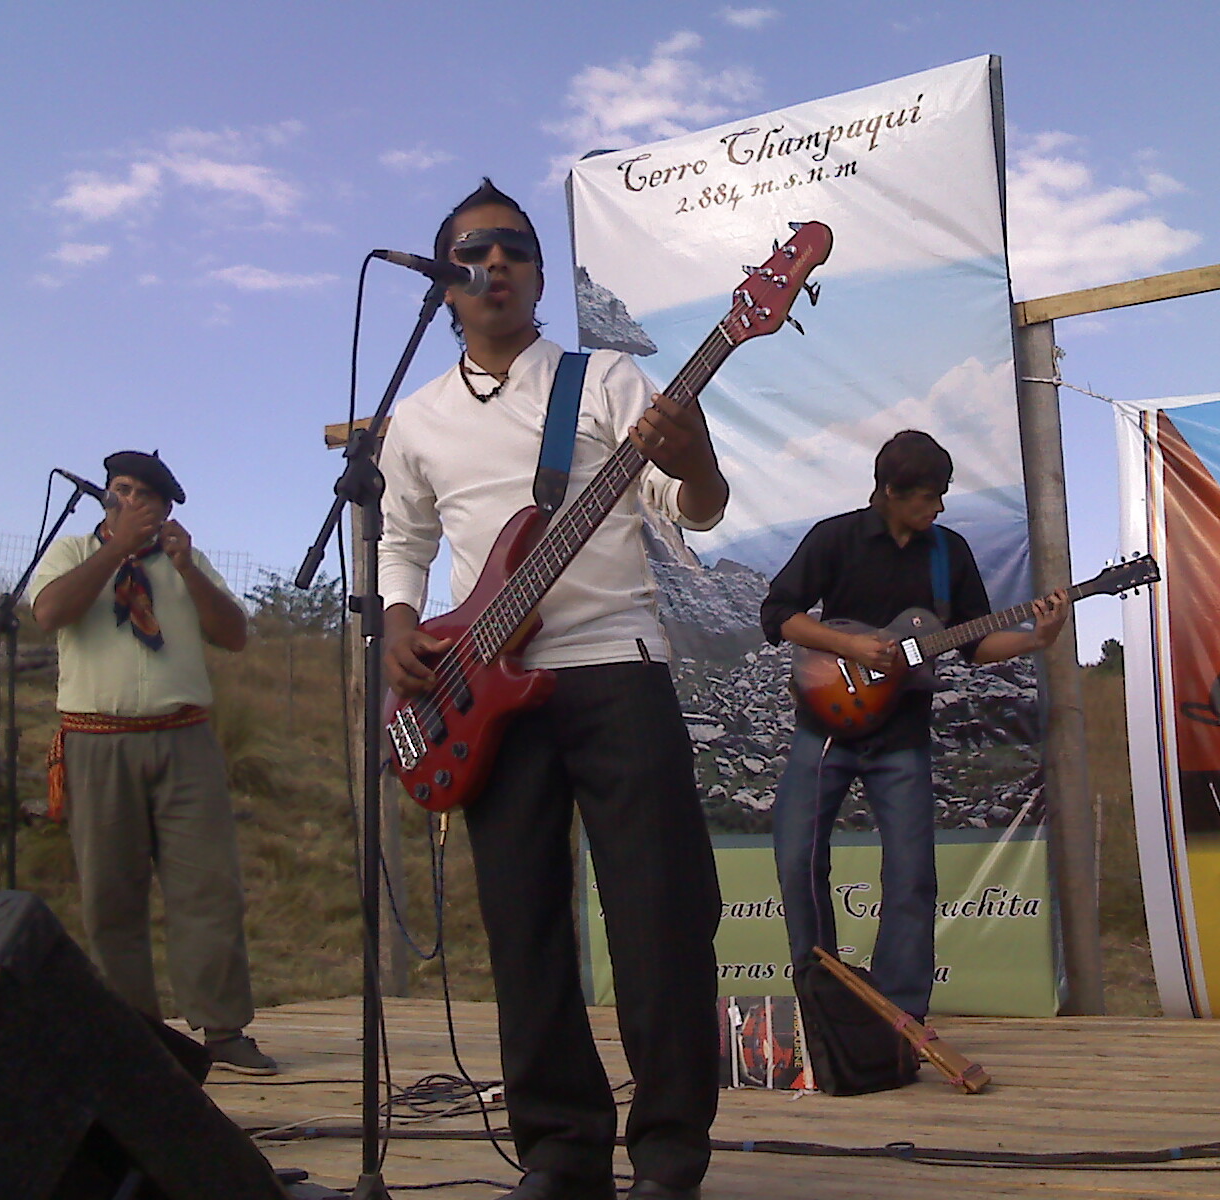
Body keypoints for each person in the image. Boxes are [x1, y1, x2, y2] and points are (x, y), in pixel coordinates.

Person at [378, 179, 725, 1200]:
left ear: (535, 274)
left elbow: (692, 510)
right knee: (523, 927)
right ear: (446, 282)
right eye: (474, 250)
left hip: (616, 668)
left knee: (658, 921)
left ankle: (667, 1157)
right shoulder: (416, 419)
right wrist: (399, 622)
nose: (496, 263)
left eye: (516, 249)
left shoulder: (605, 379)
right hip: (481, 696)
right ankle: (560, 1151)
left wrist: (694, 456)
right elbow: (403, 543)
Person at [759, 430, 1068, 1021]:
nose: (940, 507)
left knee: (910, 876)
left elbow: (975, 644)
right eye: (929, 496)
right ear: (889, 492)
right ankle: (822, 999)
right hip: (822, 727)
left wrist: (1039, 637)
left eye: (943, 494)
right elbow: (778, 615)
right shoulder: (836, 537)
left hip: (900, 736)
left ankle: (900, 1018)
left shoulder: (947, 554)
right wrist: (850, 644)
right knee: (798, 859)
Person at [29, 450, 276, 1075]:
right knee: (111, 894)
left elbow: (234, 633)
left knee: (207, 888)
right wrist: (114, 552)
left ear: (162, 510)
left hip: (184, 740)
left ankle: (222, 1029)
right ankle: (133, 1034)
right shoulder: (72, 554)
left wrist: (188, 569)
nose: (126, 501)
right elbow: (49, 613)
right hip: (96, 742)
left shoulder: (183, 565)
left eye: (141, 494)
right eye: (119, 490)